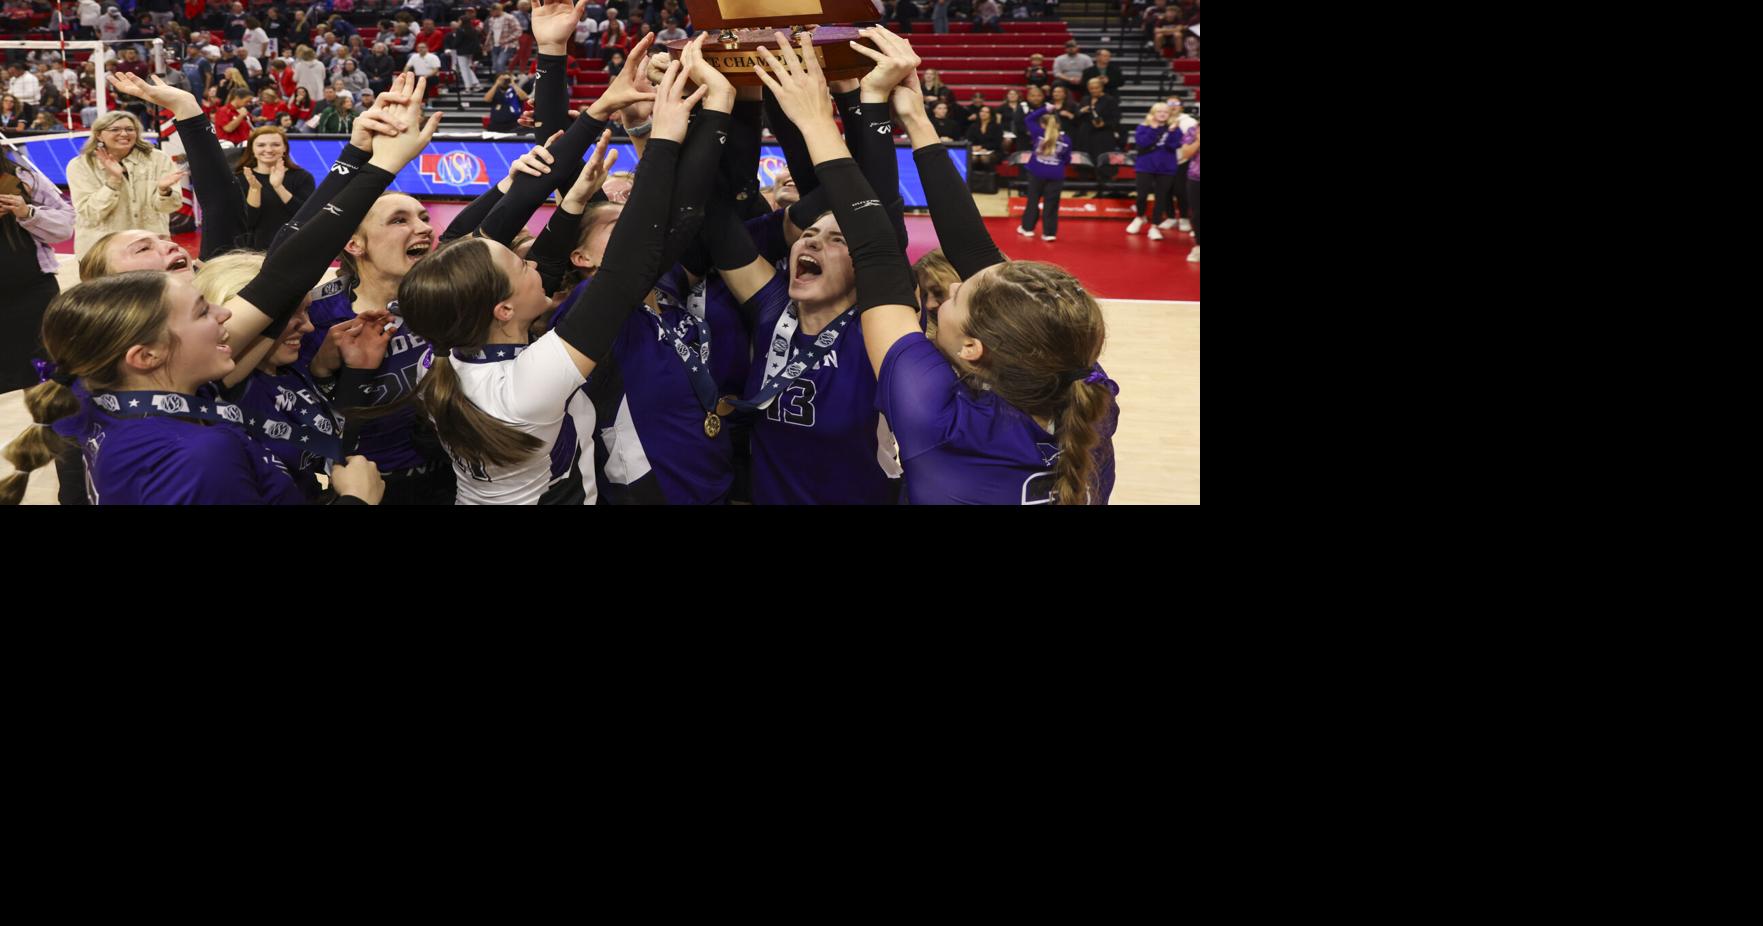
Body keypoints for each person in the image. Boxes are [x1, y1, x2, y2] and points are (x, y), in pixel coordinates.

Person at [0, 80, 438, 506]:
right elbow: (287, 269)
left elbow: (286, 258)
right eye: (142, 249)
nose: (224, 316)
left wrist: (357, 152)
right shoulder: (194, 447)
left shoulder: (156, 386)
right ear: (113, 302)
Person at [770, 27, 1119, 504]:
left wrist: (814, 122)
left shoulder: (938, 417)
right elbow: (975, 254)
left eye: (957, 295)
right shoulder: (1082, 384)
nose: (947, 289)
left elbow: (877, 252)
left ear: (973, 348)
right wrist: (914, 117)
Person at [0, 142, 75, 394]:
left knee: (46, 380)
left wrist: (28, 212)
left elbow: (65, 225)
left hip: (33, 295)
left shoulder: (23, 177)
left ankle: (49, 431)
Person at [65, 111, 187, 257]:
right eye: (115, 129)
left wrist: (164, 191)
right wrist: (113, 181)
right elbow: (90, 213)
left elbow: (170, 206)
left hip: (152, 249)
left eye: (130, 129)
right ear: (98, 135)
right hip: (104, 252)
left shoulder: (158, 159)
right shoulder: (80, 165)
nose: (124, 134)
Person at [235, 125, 315, 249]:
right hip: (251, 252)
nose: (268, 149)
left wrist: (278, 187)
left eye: (275, 145)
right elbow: (246, 224)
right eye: (261, 145)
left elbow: (306, 217)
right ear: (252, 149)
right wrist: (255, 189)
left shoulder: (303, 177)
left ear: (285, 148)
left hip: (294, 247)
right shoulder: (239, 179)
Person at [1125, 102, 1180, 240]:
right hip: (1145, 166)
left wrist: (1172, 132)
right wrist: (1153, 129)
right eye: (1159, 111)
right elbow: (1142, 143)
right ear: (1153, 113)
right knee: (1141, 195)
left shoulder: (1174, 129)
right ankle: (1140, 216)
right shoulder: (1143, 127)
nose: (1162, 114)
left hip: (1166, 167)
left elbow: (1173, 146)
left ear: (1169, 115)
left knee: (1161, 198)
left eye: (1166, 112)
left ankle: (1154, 226)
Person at [1015, 110, 1069, 241]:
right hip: (1056, 174)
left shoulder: (1039, 134)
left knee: (1033, 200)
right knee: (1051, 204)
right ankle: (1049, 233)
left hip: (1037, 172)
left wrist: (1045, 109)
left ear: (1043, 125)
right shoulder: (1066, 139)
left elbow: (1028, 119)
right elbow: (1067, 159)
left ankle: (1028, 229)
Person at [1179, 121, 1198, 261]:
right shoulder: (1192, 130)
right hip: (1196, 178)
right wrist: (1198, 140)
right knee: (1197, 215)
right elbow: (1185, 154)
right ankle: (1198, 246)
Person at [964, 104, 1003, 169]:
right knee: (973, 158)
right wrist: (973, 147)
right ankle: (972, 177)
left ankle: (988, 177)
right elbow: (968, 139)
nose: (983, 113)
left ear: (991, 114)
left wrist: (982, 147)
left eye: (986, 112)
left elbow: (997, 143)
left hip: (993, 151)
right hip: (976, 151)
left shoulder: (996, 127)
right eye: (982, 111)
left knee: (984, 157)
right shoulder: (973, 126)